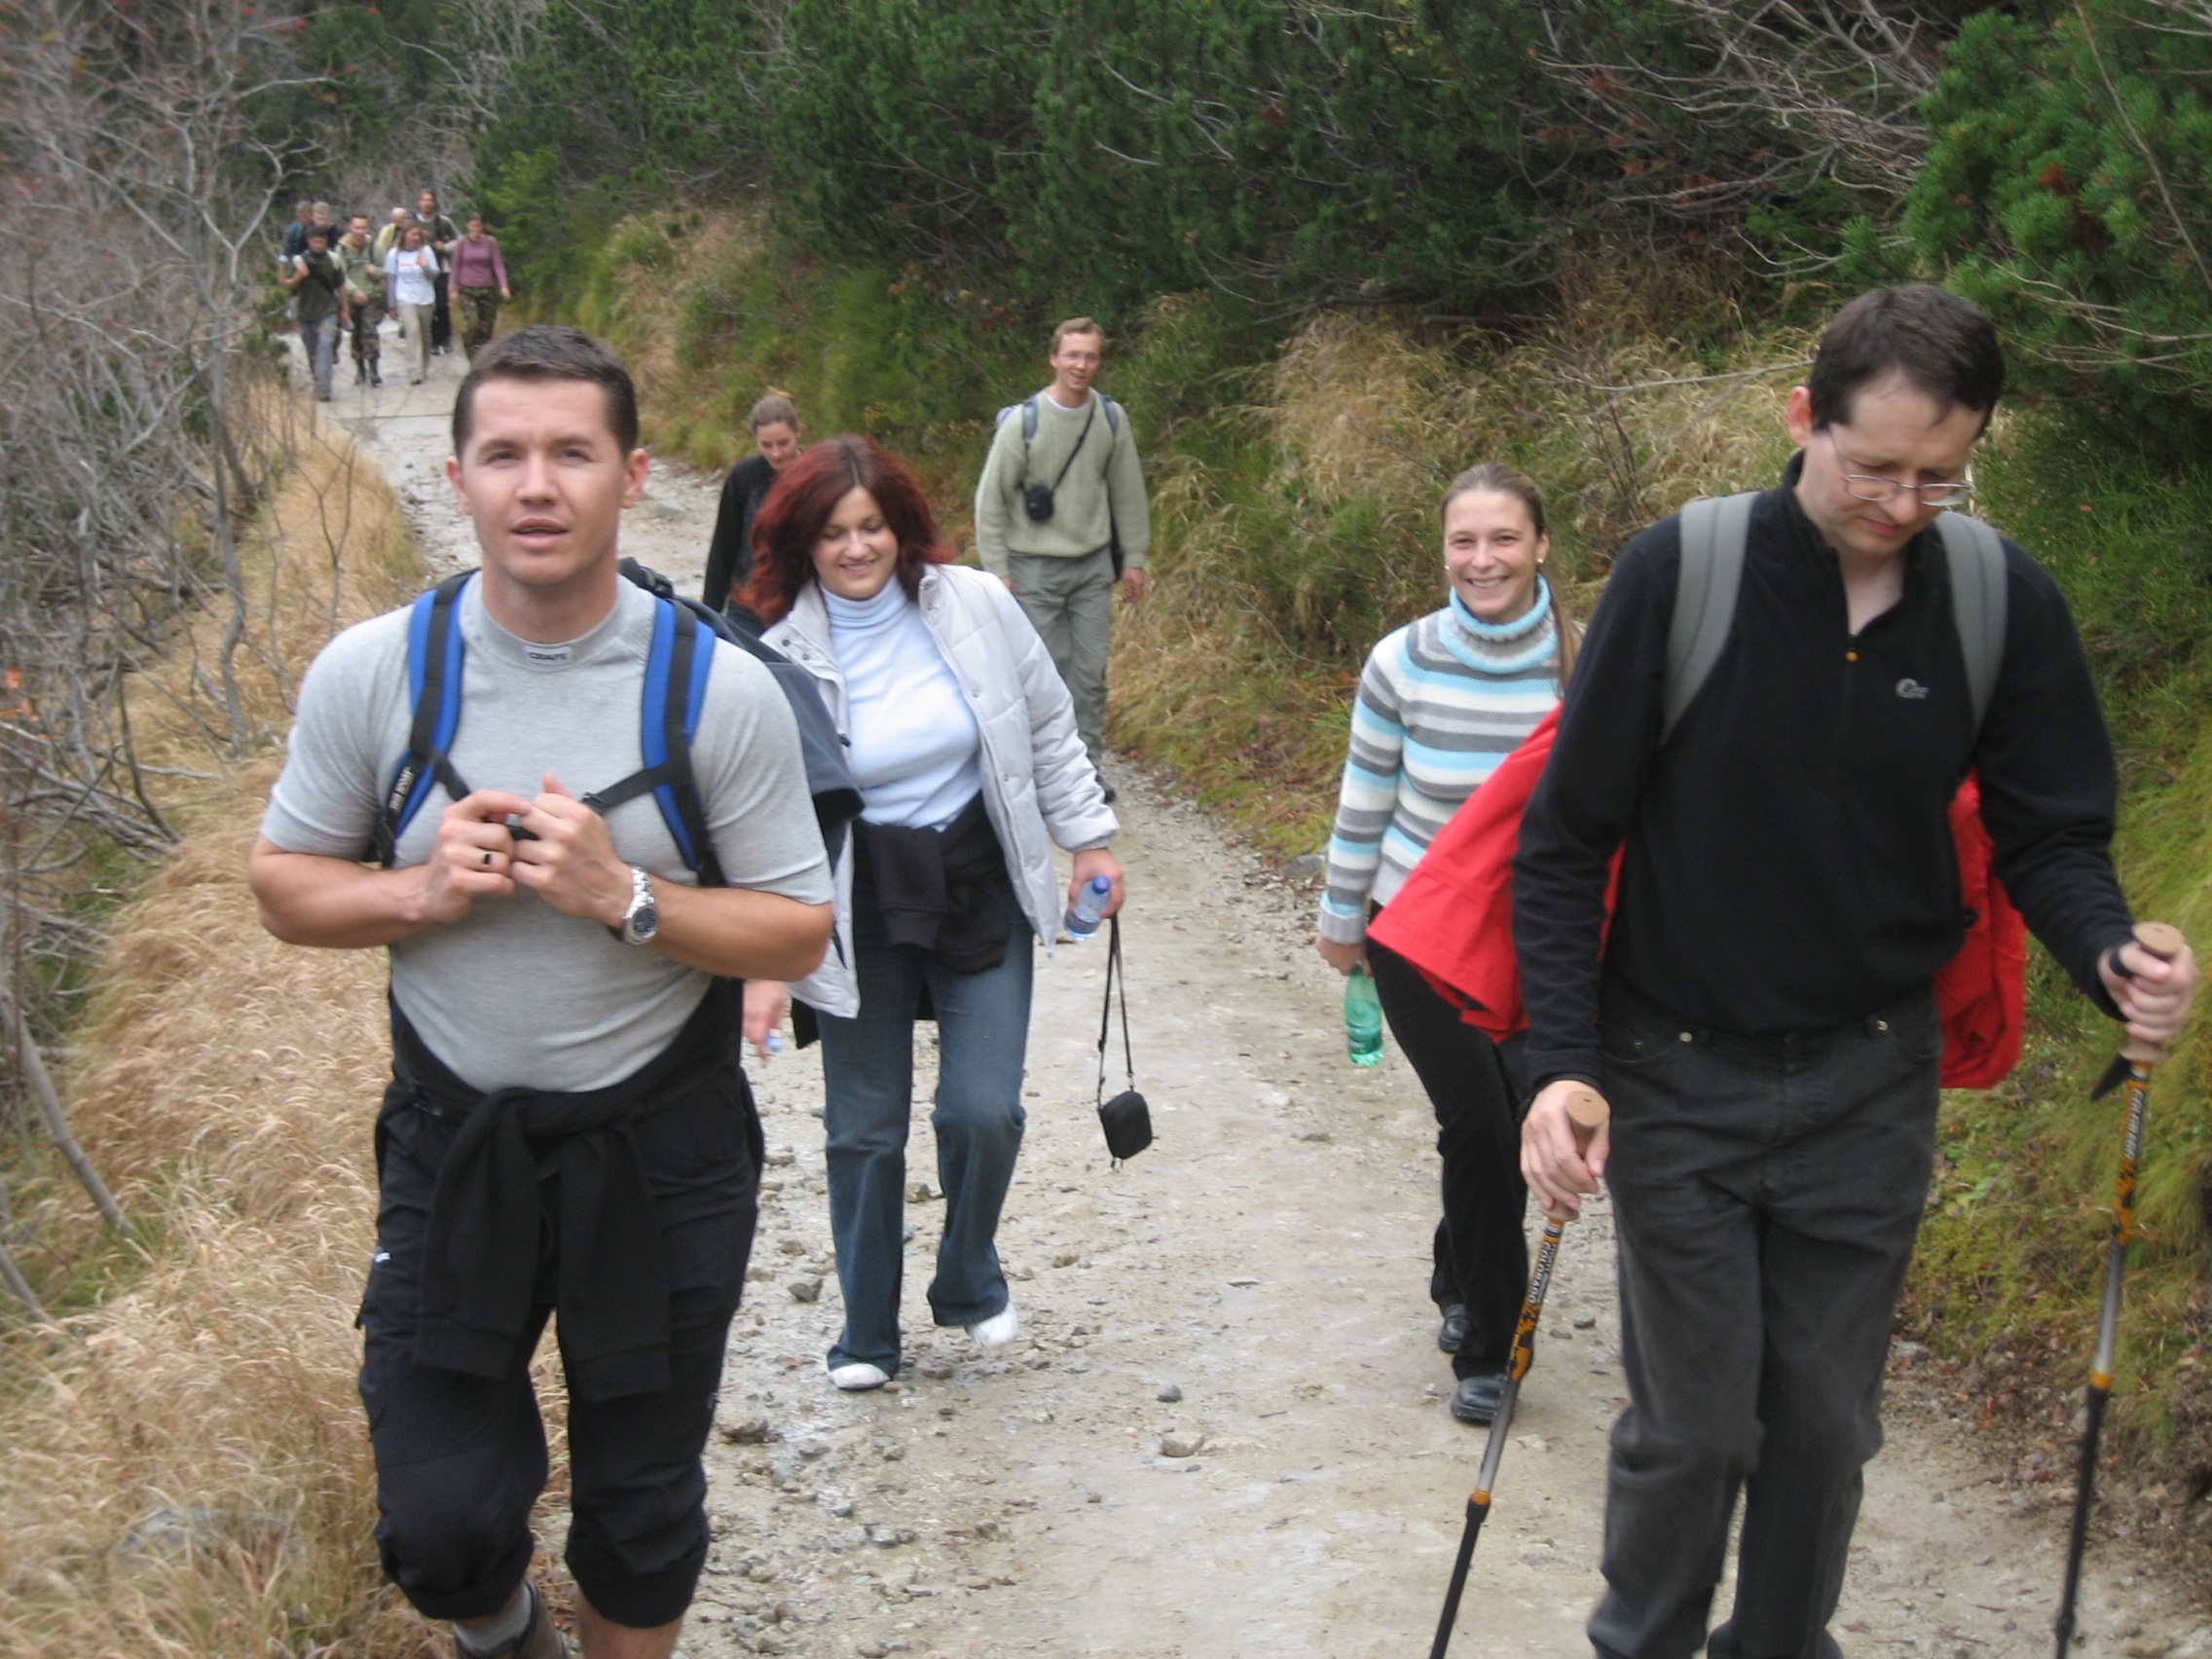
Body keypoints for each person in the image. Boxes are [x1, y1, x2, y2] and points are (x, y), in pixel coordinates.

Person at [1513, 285, 2199, 1659]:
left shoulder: (1997, 599)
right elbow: (1565, 842)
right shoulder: (1681, 573)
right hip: (1676, 1069)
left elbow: (2051, 834)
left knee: (1825, 1428)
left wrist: (2112, 954)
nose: (1901, 502)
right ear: (1802, 419)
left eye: (1940, 476)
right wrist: (1562, 1067)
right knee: (1697, 1429)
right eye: (1875, 466)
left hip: (1869, 1077)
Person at [248, 325, 834, 1659]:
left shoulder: (717, 690)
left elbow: (798, 931)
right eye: (504, 454)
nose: (537, 485)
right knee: (440, 1525)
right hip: (452, 1145)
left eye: (572, 453)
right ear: (457, 477)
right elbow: (282, 887)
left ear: (633, 476)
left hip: (665, 1150)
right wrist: (418, 893)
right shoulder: (377, 674)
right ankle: (508, 1635)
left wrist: (626, 897)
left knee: (640, 1512)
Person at [748, 435, 1123, 1393]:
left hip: (974, 877)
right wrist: (762, 947)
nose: (856, 548)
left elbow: (1047, 724)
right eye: (833, 533)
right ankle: (866, 1333)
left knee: (983, 1111)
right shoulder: (775, 649)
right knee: (864, 1129)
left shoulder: (977, 604)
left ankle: (966, 1273)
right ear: (803, 543)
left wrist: (1089, 839)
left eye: (872, 526)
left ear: (902, 527)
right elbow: (754, 805)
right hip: (859, 900)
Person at [1312, 463, 1575, 1427]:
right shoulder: (1403, 660)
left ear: (1540, 544)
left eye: (1503, 538)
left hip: (1540, 936)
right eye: (1463, 541)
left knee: (1518, 1114)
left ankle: (1460, 1272)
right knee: (1481, 1123)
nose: (1482, 559)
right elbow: (1366, 800)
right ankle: (1490, 1350)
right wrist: (1343, 923)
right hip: (1418, 928)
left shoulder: (1588, 663)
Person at [973, 316, 1151, 795]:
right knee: (1044, 674)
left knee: (1089, 676)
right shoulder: (1023, 423)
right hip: (1033, 568)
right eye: (1072, 355)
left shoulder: (1110, 419)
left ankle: (1085, 772)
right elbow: (991, 498)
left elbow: (1128, 492)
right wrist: (998, 571)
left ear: (1099, 362)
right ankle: (1044, 771)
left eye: (1090, 357)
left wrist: (1134, 557)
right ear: (1054, 358)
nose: (1080, 365)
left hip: (1092, 565)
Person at [701, 390, 803, 633]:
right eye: (766, 445)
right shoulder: (744, 477)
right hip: (747, 604)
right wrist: (707, 616)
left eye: (784, 443)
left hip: (802, 607)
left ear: (798, 433)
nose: (776, 453)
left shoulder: (819, 475)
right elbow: (724, 547)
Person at [280, 223, 349, 402]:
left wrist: (345, 310)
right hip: (306, 313)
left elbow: (340, 286)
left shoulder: (333, 260)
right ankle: (318, 379)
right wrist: (299, 276)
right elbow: (288, 285)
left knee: (326, 344)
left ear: (326, 241)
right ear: (309, 241)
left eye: (321, 241)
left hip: (328, 310)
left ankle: (324, 389)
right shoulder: (299, 261)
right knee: (312, 351)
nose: (318, 245)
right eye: (314, 241)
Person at [384, 224, 440, 387]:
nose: (415, 238)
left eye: (417, 235)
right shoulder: (394, 254)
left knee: (425, 336)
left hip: (425, 298)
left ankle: (424, 365)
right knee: (413, 331)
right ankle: (415, 371)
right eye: (412, 234)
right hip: (405, 298)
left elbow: (434, 275)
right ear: (404, 235)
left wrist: (425, 266)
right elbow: (391, 280)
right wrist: (391, 305)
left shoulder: (426, 251)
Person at [451, 215, 512, 361]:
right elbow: (456, 266)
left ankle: (482, 358)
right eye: (473, 226)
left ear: (482, 226)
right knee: (473, 324)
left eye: (478, 226)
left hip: (486, 289)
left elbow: (497, 264)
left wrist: (503, 285)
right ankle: (471, 354)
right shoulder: (462, 243)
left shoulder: (490, 242)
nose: (476, 229)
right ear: (468, 226)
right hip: (467, 289)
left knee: (486, 328)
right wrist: (453, 289)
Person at [336, 213, 387, 388]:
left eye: (363, 228)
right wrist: (354, 292)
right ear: (350, 228)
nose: (360, 231)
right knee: (356, 334)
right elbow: (340, 275)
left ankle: (374, 369)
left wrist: (376, 272)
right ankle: (360, 369)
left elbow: (386, 271)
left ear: (368, 228)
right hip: (351, 298)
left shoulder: (375, 248)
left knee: (370, 331)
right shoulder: (342, 250)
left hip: (372, 297)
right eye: (357, 227)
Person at [418, 189, 461, 354]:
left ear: (434, 203)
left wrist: (445, 247)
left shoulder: (443, 222)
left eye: (430, 200)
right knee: (428, 306)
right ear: (419, 202)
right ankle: (433, 340)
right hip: (420, 271)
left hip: (442, 268)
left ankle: (445, 338)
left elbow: (459, 240)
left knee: (442, 305)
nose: (427, 203)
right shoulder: (413, 222)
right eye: (424, 200)